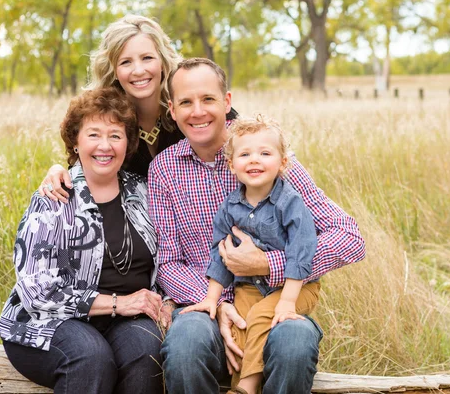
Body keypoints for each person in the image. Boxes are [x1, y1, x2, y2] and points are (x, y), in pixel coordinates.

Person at [148, 57, 366, 394]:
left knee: (294, 342)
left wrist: (267, 264)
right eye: (186, 102)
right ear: (172, 111)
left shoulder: (267, 157)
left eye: (208, 99)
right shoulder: (164, 169)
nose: (198, 111)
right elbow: (168, 263)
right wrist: (218, 303)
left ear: (227, 102)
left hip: (276, 295)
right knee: (186, 344)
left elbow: (349, 238)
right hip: (206, 303)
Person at [0, 87, 170, 394]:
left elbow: (170, 255)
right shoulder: (54, 197)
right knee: (90, 356)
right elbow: (36, 290)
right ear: (75, 142)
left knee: (148, 350)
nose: (105, 145)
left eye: (115, 135)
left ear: (128, 143)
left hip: (126, 321)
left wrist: (164, 303)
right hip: (51, 322)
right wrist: (119, 303)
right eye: (93, 134)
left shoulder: (144, 191)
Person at [180, 115, 321, 394]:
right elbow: (220, 254)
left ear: (282, 163)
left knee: (259, 318)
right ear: (232, 165)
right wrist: (211, 299)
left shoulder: (289, 202)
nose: (254, 160)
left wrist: (287, 302)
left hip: (296, 287)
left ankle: (246, 386)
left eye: (265, 153)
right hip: (249, 288)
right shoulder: (230, 207)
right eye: (245, 154)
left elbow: (301, 251)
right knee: (239, 327)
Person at [37, 14, 237, 201]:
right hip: (139, 226)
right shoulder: (107, 116)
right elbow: (88, 160)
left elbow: (250, 143)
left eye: (147, 58)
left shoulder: (189, 106)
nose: (139, 70)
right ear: (114, 70)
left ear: (162, 61)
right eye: (126, 62)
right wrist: (58, 169)